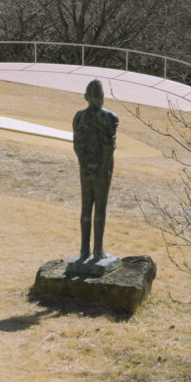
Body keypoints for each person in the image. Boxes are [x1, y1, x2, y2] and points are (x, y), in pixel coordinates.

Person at [73, 79, 119, 263]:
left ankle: (84, 251)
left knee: (86, 208)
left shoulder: (79, 117)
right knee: (99, 209)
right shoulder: (111, 118)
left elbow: (77, 145)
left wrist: (85, 166)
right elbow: (109, 146)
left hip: (85, 168)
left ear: (86, 96)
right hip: (102, 169)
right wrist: (102, 169)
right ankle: (97, 251)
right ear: (102, 97)